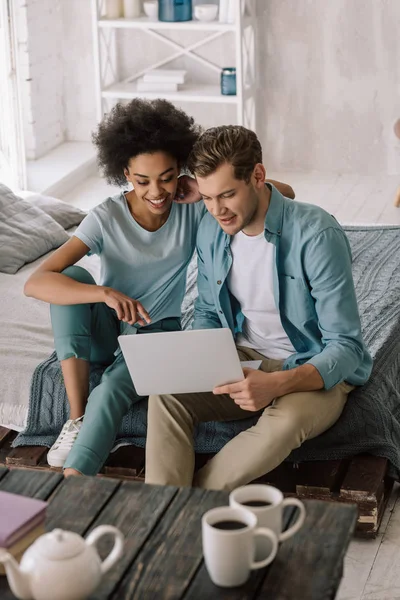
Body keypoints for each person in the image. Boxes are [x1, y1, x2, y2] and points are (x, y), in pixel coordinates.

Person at [24, 101, 294, 477]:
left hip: (156, 331)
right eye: (142, 180)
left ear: (180, 169)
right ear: (125, 173)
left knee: (112, 389)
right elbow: (36, 281)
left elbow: (286, 192)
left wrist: (201, 187)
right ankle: (75, 418)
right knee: (75, 278)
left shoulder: (192, 205)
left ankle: (72, 484)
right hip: (109, 328)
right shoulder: (106, 216)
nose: (157, 191)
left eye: (167, 177)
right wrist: (105, 294)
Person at [144, 125, 373, 491]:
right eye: (206, 198)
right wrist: (197, 358)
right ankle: (165, 505)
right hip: (242, 353)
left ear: (258, 176)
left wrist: (276, 384)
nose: (217, 210)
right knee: (166, 394)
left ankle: (179, 509)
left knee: (282, 426)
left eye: (227, 195)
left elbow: (345, 346)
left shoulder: (317, 235)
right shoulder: (211, 228)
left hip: (310, 365)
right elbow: (206, 308)